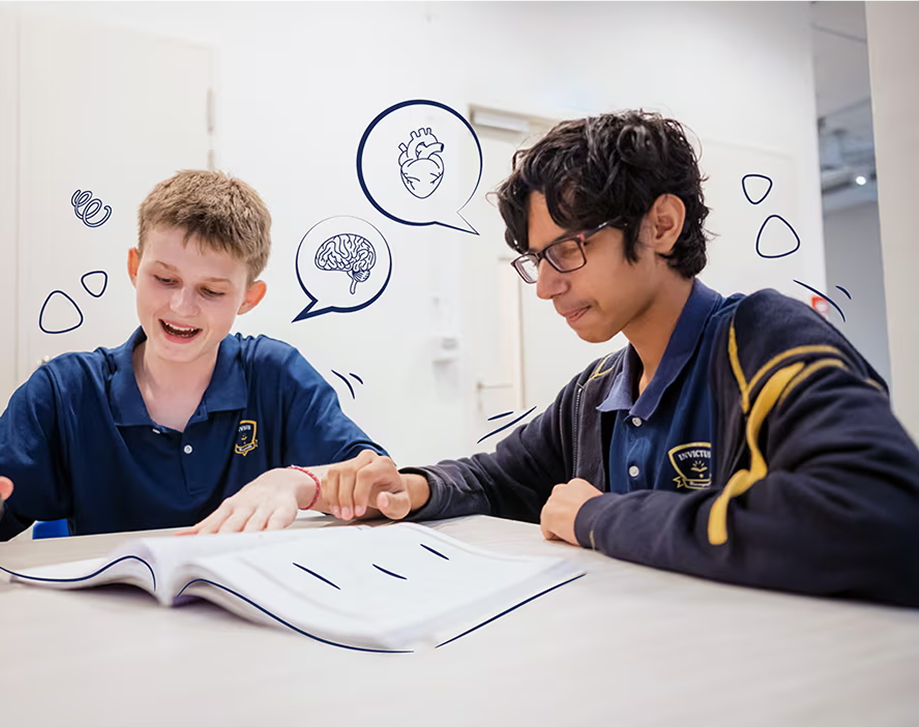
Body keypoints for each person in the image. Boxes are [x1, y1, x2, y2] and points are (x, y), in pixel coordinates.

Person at [318, 110, 919, 607]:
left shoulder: (762, 338)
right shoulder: (598, 389)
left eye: (569, 250)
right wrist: (411, 488)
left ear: (660, 224)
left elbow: (876, 515)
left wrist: (600, 517)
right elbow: (498, 479)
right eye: (537, 260)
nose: (545, 287)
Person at [0, 170, 385, 586]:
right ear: (134, 266)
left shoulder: (276, 376)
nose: (180, 306)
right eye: (164, 279)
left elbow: (378, 480)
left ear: (248, 299)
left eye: (212, 290)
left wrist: (294, 482)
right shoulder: (68, 390)